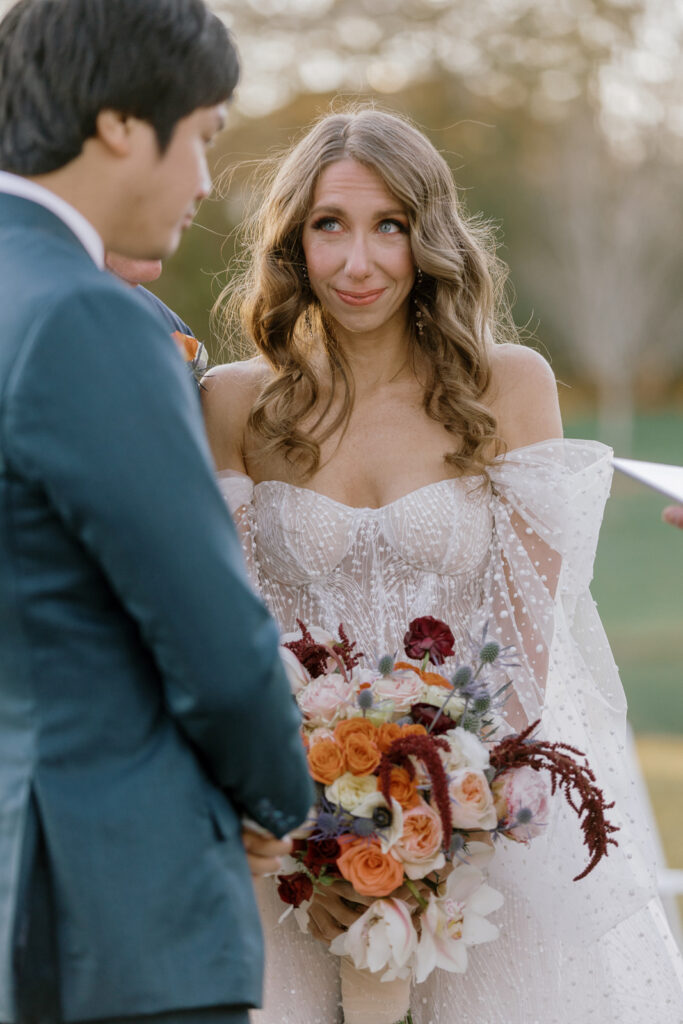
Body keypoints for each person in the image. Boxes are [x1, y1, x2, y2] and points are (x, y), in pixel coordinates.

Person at [202, 108, 683, 1024]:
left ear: (429, 237)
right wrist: (323, 849)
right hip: (290, 834)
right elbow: (230, 639)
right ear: (292, 241)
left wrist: (435, 843)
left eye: (389, 226)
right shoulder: (233, 403)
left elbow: (525, 648)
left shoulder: (507, 386)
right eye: (328, 225)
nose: (358, 263)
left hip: (480, 834)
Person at [0, 2, 313, 1024]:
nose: (205, 184)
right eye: (205, 137)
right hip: (116, 916)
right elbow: (212, 635)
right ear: (123, 123)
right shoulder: (84, 313)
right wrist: (278, 800)